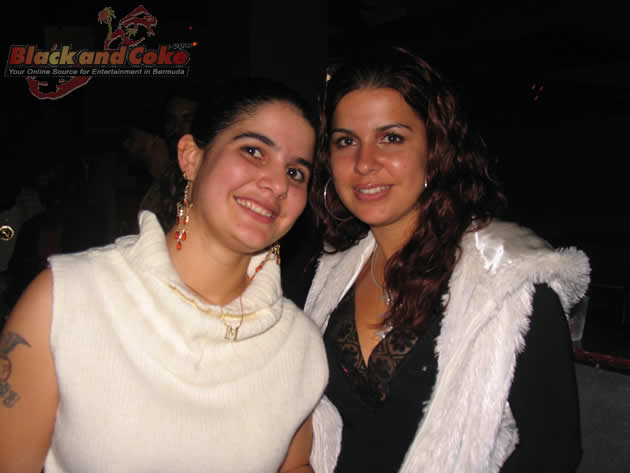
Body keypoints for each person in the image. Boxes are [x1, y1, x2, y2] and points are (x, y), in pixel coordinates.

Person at [0, 77, 328, 473]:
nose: (277, 184)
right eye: (254, 151)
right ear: (191, 157)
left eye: (296, 173)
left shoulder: (298, 344)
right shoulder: (67, 299)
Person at [305, 47, 590, 473]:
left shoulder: (511, 280)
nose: (364, 163)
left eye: (391, 138)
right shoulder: (328, 275)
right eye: (346, 141)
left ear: (435, 149)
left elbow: (553, 453)